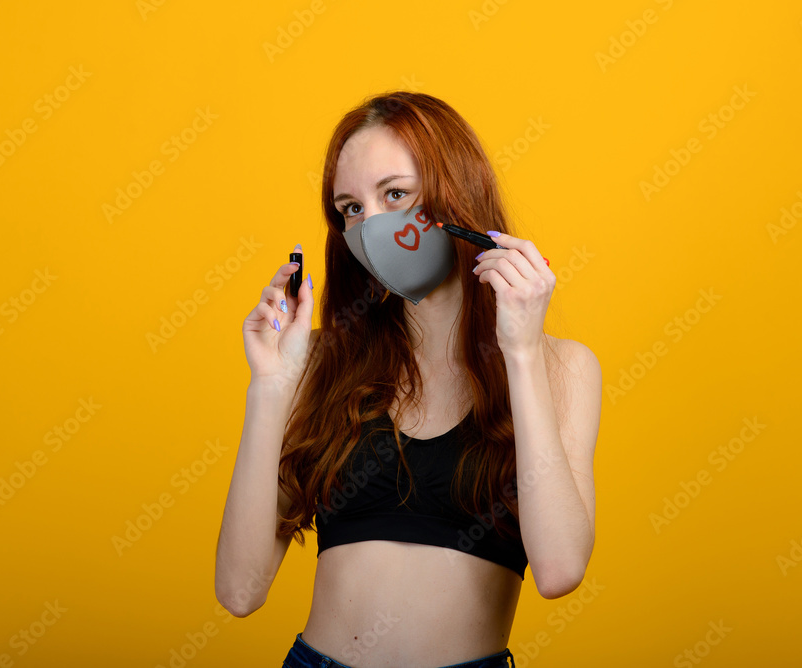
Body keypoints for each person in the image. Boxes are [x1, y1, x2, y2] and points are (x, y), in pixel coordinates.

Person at [215, 91, 601, 668]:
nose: (371, 226)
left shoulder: (561, 366)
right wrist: (270, 388)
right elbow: (239, 591)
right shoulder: (322, 362)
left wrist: (518, 350)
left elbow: (560, 568)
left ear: (455, 195)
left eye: (395, 195)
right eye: (350, 208)